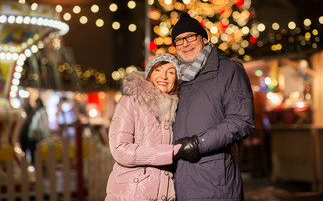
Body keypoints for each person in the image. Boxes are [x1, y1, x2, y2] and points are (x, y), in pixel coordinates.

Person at [171, 12, 255, 200]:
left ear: (203, 38)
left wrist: (199, 143)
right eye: (178, 40)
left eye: (190, 37)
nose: (185, 44)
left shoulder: (228, 71)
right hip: (178, 179)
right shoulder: (173, 79)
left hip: (214, 179)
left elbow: (242, 121)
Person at [105, 53, 182, 201]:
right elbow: (120, 149)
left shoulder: (177, 108)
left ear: (176, 79)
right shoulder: (130, 102)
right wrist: (168, 153)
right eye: (158, 70)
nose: (163, 76)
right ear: (149, 74)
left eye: (171, 72)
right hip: (131, 193)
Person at [27, 98, 51, 164]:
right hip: (35, 135)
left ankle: (36, 164)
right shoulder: (39, 112)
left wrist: (45, 136)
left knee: (36, 151)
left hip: (38, 136)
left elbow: (44, 125)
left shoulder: (42, 112)